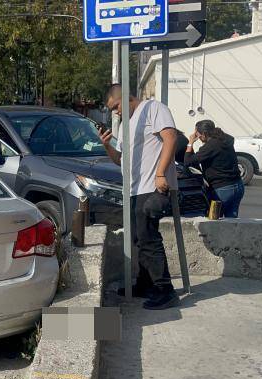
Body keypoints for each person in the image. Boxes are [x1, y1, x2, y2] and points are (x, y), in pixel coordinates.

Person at [98, 84, 180, 310]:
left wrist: (161, 173)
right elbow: (120, 160)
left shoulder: (153, 108)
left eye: (116, 106)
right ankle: (146, 284)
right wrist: (106, 146)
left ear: (126, 97)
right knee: (137, 239)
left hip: (152, 186)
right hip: (134, 189)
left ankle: (165, 290)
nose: (116, 112)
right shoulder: (126, 124)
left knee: (148, 239)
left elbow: (171, 138)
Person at [186, 120, 244, 218]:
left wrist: (190, 143)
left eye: (198, 135)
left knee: (213, 220)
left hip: (222, 189)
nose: (198, 138)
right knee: (231, 221)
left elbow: (188, 161)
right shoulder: (225, 139)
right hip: (238, 185)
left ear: (204, 134)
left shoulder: (211, 146)